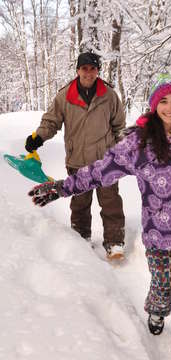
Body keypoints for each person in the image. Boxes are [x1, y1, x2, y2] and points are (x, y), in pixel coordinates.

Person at [28, 75, 171, 360]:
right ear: (154, 106)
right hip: (159, 234)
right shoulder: (136, 145)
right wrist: (62, 188)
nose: (170, 107)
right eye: (163, 101)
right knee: (163, 287)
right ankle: (157, 309)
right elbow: (99, 171)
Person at [24, 52, 126, 259]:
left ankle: (115, 243)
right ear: (78, 70)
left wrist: (120, 152)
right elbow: (51, 121)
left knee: (111, 203)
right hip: (77, 161)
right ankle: (81, 239)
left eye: (93, 68)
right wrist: (39, 137)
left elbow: (119, 127)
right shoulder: (65, 96)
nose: (88, 73)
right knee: (79, 205)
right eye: (84, 68)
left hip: (105, 162)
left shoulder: (109, 95)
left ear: (98, 71)